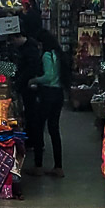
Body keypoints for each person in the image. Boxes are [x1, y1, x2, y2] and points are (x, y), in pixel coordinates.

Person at [29, 33, 68, 178]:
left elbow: (48, 76)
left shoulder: (46, 55)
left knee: (39, 128)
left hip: (47, 94)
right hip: (58, 94)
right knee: (54, 129)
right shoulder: (58, 54)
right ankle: (58, 167)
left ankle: (38, 166)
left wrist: (34, 80)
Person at [9, 22, 43, 178]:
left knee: (33, 118)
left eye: (13, 40)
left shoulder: (29, 51)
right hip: (30, 89)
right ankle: (33, 144)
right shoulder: (28, 48)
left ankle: (36, 150)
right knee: (32, 118)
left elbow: (29, 70)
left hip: (31, 90)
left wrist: (19, 81)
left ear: (18, 37)